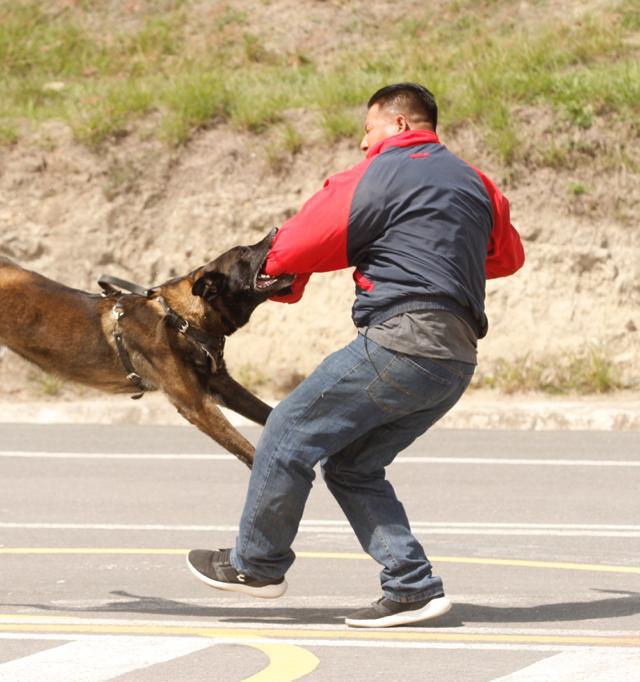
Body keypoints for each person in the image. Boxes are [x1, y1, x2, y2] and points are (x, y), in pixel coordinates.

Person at [186, 82, 525, 628]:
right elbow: (507, 257)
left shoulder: (381, 170)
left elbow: (297, 244)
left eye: (367, 130)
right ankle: (412, 586)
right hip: (455, 359)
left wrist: (265, 271)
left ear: (397, 124)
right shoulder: (477, 182)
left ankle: (257, 564)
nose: (363, 144)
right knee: (353, 465)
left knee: (286, 431)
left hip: (402, 341)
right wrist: (421, 245)